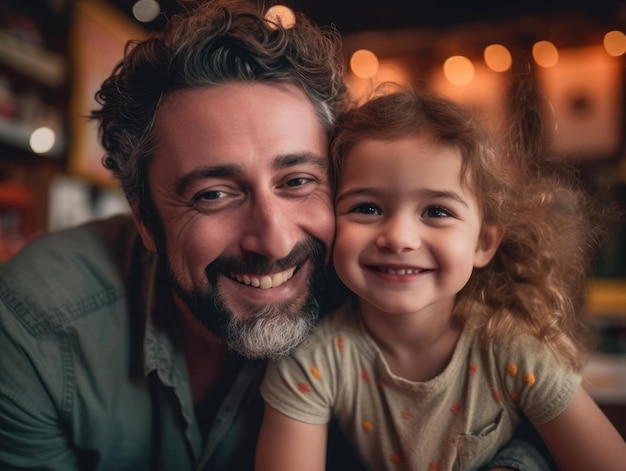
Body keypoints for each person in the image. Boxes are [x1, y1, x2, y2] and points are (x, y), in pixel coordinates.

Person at [0, 1, 556, 470]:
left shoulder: (384, 286)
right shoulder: (39, 327)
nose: (271, 240)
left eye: (297, 181)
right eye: (213, 194)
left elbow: (512, 418)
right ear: (145, 219)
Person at [256, 87, 626, 471]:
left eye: (436, 211)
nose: (399, 238)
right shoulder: (310, 362)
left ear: (483, 242)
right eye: (367, 207)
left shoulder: (516, 351)